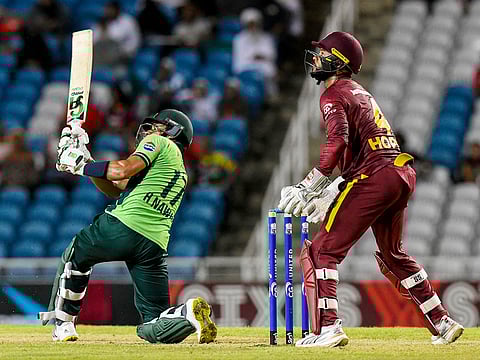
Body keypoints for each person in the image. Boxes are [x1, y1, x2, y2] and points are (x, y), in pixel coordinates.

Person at [277, 31, 464, 347]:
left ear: (339, 62)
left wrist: (308, 185)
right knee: (393, 254)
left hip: (374, 177)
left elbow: (337, 142)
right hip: (399, 173)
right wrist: (337, 184)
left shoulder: (334, 94)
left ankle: (328, 327)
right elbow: (365, 148)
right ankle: (442, 321)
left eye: (324, 54)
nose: (317, 59)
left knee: (322, 250)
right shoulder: (359, 91)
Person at [38, 109, 217, 344]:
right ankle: (185, 314)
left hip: (123, 225)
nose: (150, 131)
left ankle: (63, 325)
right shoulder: (179, 169)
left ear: (171, 132)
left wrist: (78, 165)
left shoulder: (159, 143)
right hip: (153, 245)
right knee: (152, 324)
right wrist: (87, 160)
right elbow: (117, 186)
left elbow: (121, 170)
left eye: (157, 126)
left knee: (76, 254)